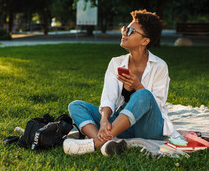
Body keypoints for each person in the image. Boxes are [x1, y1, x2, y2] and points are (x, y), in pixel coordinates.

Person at [63, 9, 179, 156]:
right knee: (76, 106)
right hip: (121, 126)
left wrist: (138, 86)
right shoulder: (116, 63)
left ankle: (95, 143)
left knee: (143, 94)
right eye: (125, 28)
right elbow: (108, 98)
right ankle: (106, 143)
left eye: (130, 31)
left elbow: (156, 103)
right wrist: (104, 120)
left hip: (148, 128)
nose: (124, 33)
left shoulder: (159, 66)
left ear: (145, 41)